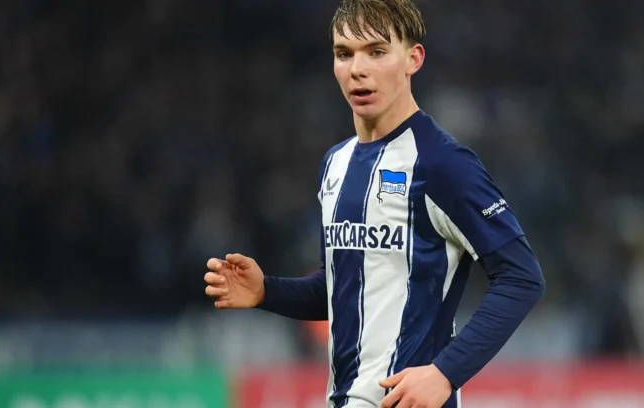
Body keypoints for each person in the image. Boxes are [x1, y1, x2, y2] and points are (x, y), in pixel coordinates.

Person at [204, 0, 545, 406]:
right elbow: (345, 287)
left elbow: (521, 277)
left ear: (413, 58)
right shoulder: (336, 163)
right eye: (344, 53)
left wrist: (445, 373)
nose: (358, 69)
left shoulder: (443, 163)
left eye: (377, 52)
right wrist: (267, 291)